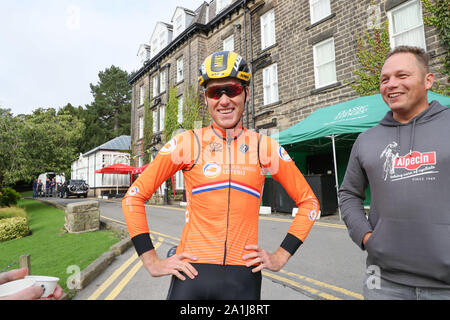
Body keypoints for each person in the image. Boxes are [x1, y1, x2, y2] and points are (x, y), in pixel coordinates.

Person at [122, 51, 319, 300]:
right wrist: (151, 261)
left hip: (243, 279)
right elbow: (133, 198)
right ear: (206, 99)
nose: (224, 100)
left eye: (232, 89)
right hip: (192, 275)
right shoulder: (188, 143)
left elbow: (309, 203)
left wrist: (281, 256)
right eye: (215, 93)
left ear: (246, 93)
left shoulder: (264, 147)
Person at [339, 45, 450, 299]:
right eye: (384, 79)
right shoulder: (366, 139)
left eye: (402, 76)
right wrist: (366, 237)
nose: (391, 84)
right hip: (384, 282)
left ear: (428, 80)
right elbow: (348, 194)